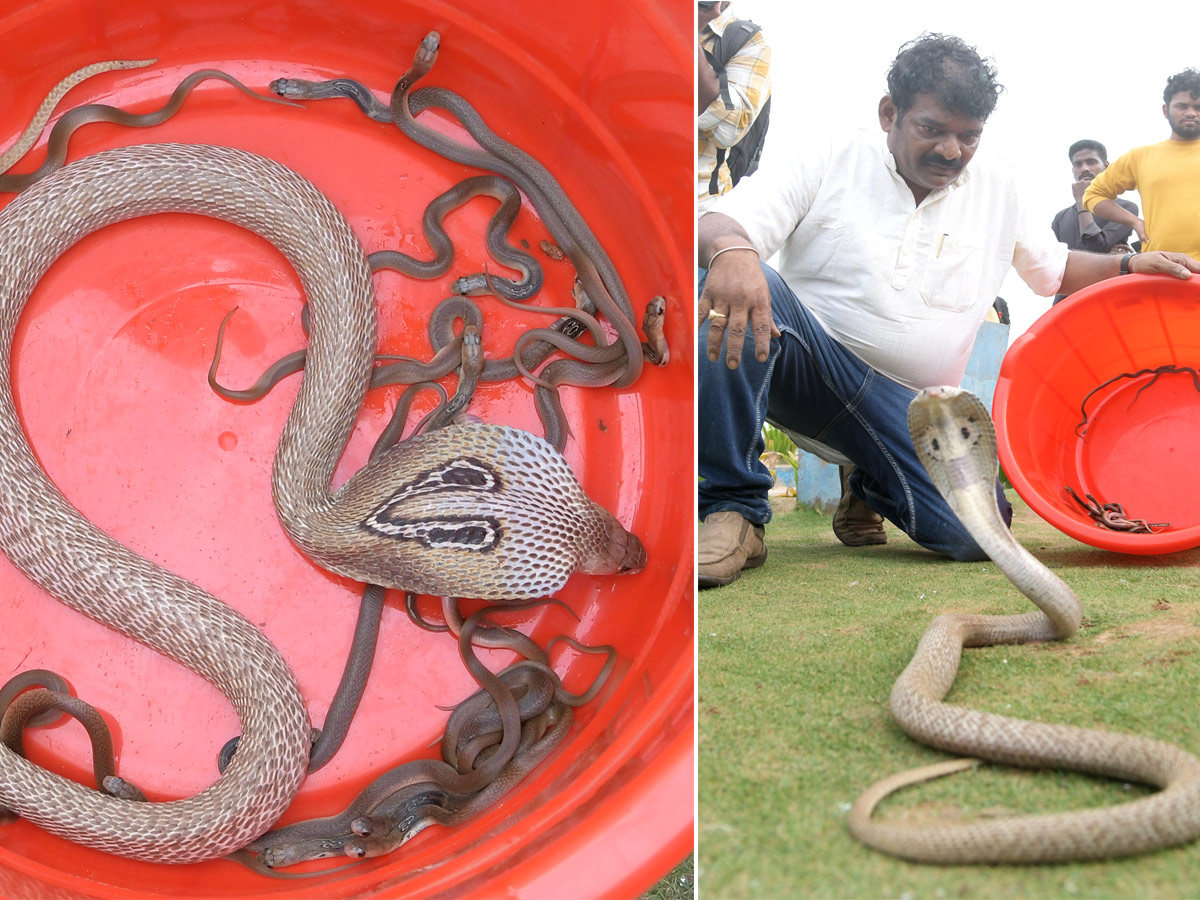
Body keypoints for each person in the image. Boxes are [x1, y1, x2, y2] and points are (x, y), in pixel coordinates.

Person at [696, 33, 1200, 589]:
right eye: (932, 129)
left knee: (979, 536)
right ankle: (732, 508)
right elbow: (720, 223)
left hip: (910, 410)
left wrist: (1131, 267)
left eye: (969, 136)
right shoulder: (831, 152)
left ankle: (868, 483)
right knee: (731, 274)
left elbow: (1052, 271)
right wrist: (731, 251)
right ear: (890, 113)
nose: (951, 152)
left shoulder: (1001, 186)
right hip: (806, 366)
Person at [1082, 69, 1200, 260]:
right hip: (1163, 270)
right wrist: (1134, 221)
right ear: (1166, 110)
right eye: (1182, 106)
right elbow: (1092, 194)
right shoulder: (1141, 157)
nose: (1191, 113)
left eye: (1198, 107)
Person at [697, 1, 771, 215]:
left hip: (697, 205)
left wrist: (685, 33)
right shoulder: (645, 21)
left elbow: (728, 129)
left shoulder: (748, 42)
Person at [1050, 140, 1138, 303]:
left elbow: (1093, 246)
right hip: (1067, 303)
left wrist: (1083, 202)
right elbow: (1053, 263)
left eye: (1091, 162)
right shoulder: (1060, 218)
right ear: (1073, 170)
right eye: (1078, 164)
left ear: (1106, 166)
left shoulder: (1125, 209)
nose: (1084, 168)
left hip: (1108, 296)